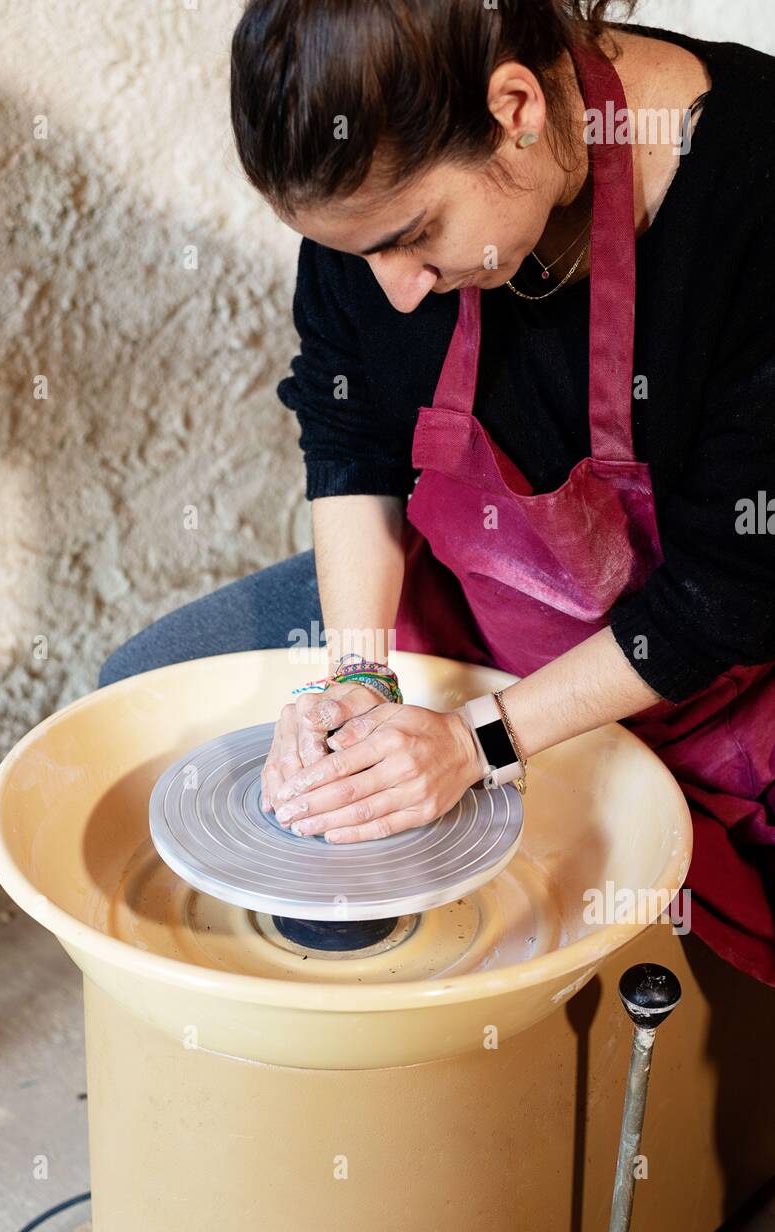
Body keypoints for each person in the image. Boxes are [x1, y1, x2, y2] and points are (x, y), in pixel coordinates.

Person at [99, 0, 775, 987]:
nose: (398, 291)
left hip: (716, 670)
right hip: (477, 610)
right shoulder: (366, 168)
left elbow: (731, 593)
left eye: (415, 238)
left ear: (515, 109)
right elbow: (353, 436)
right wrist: (357, 677)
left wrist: (477, 740)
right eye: (361, 252)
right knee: (140, 688)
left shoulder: (749, 196)